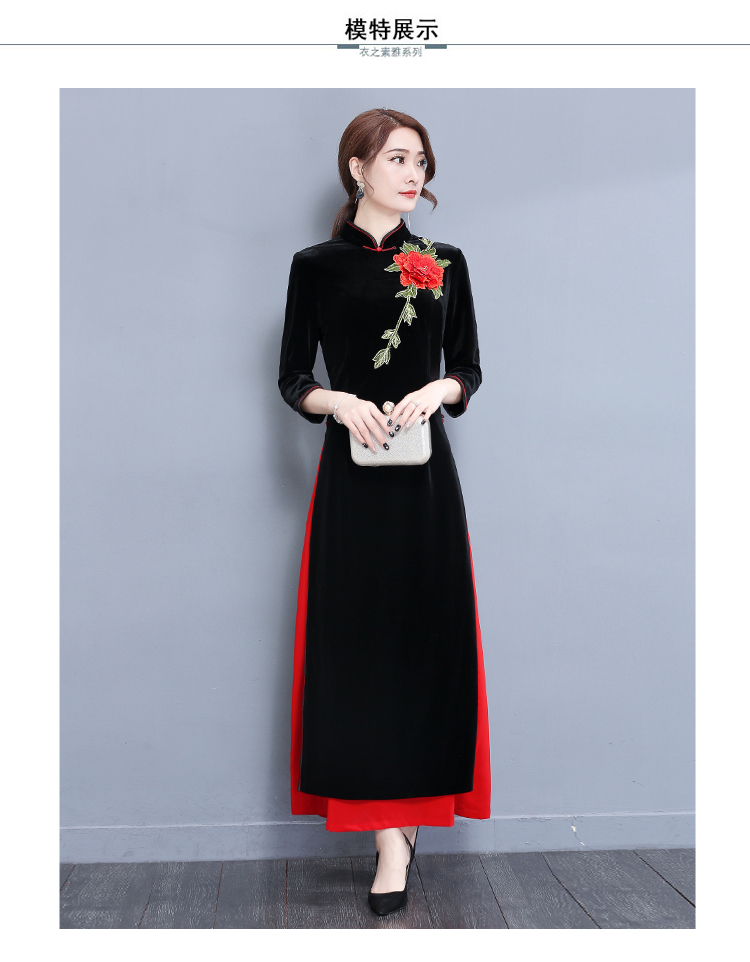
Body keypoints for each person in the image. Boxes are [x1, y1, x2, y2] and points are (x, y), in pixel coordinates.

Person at [278, 108, 491, 917]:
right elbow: (293, 376)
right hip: (352, 480)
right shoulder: (314, 266)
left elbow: (469, 366)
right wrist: (338, 403)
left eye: (421, 161)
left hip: (425, 480)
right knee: (358, 649)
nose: (414, 174)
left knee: (424, 643)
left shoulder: (443, 262)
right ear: (357, 168)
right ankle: (384, 838)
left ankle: (402, 833)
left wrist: (439, 388)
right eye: (398, 158)